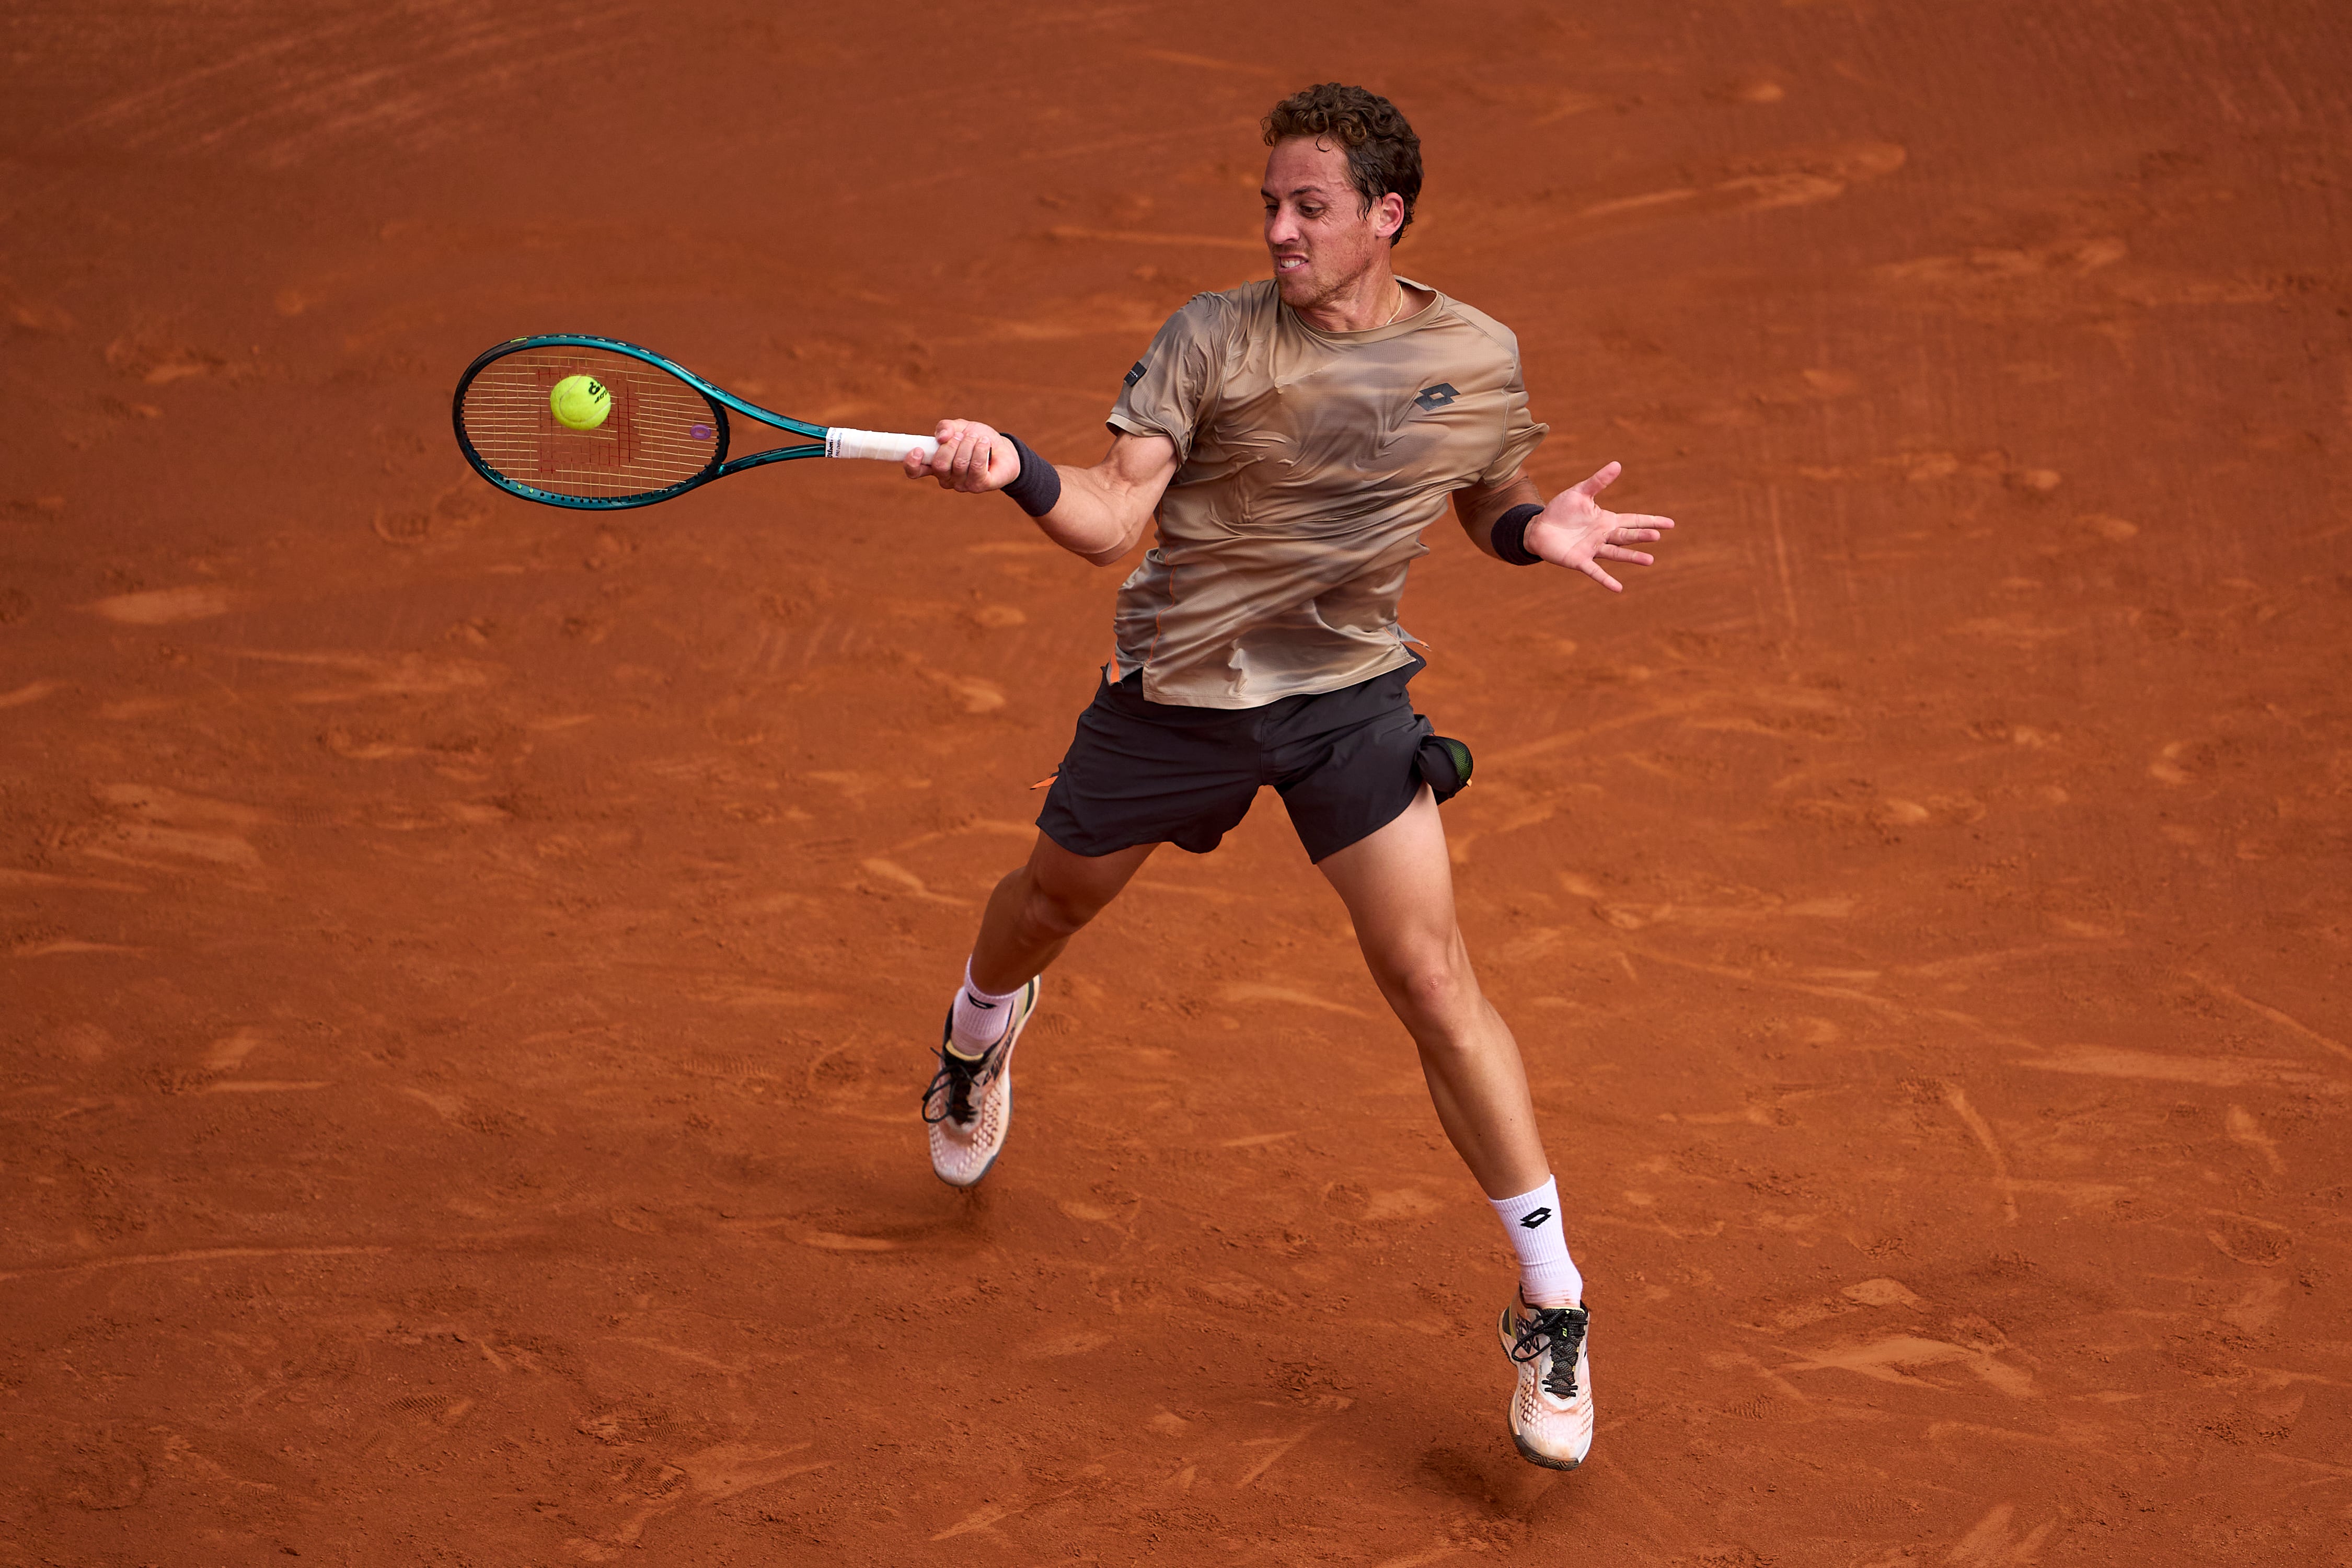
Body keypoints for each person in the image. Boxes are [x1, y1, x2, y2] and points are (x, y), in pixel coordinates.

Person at [902, 82, 1673, 1472]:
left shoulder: (1473, 352)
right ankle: (975, 1032)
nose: (1277, 229)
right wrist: (1012, 467)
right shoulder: (1210, 339)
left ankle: (1550, 1303)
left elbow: (1483, 486)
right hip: (1177, 703)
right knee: (1045, 912)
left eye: (1307, 206)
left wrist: (1529, 532)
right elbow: (1109, 523)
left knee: (1433, 979)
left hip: (1346, 703)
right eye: (1267, 204)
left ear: (1387, 217)